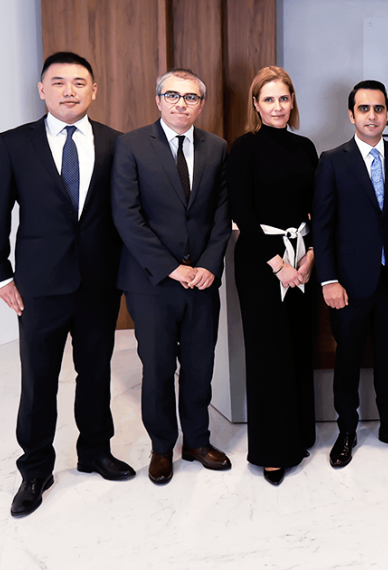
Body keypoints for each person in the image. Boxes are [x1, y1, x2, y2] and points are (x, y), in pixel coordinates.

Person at [0, 52, 133, 517]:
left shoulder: (117, 143)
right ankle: (35, 469)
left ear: (94, 91)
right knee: (39, 379)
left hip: (98, 282)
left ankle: (95, 452)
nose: (69, 90)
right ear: (42, 90)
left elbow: (127, 214)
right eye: (59, 82)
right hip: (39, 284)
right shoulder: (14, 143)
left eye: (79, 82)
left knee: (96, 372)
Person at [112, 68, 232, 485]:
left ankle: (197, 441)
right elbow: (126, 215)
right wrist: (171, 267)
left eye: (191, 97)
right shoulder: (130, 145)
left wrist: (209, 266)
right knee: (159, 368)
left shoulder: (217, 147)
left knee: (199, 367)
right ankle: (162, 447)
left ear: (201, 104)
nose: (182, 103)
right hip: (152, 282)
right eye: (173, 95)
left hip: (201, 281)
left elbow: (221, 214)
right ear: (158, 100)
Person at [313, 80, 388, 468]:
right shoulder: (332, 160)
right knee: (347, 359)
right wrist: (328, 280)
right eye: (364, 108)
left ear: (387, 113)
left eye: (379, 108)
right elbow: (322, 226)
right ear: (351, 115)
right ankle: (346, 431)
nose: (372, 115)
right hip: (347, 284)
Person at [226, 67, 317, 486]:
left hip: (303, 262)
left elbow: (316, 207)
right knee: (268, 354)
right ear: (256, 105)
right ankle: (272, 451)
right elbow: (241, 211)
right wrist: (279, 264)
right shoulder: (244, 147)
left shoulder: (305, 147)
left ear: (292, 101)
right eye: (269, 99)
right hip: (262, 264)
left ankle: (299, 435)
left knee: (298, 348)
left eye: (283, 98)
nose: (277, 107)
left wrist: (310, 256)